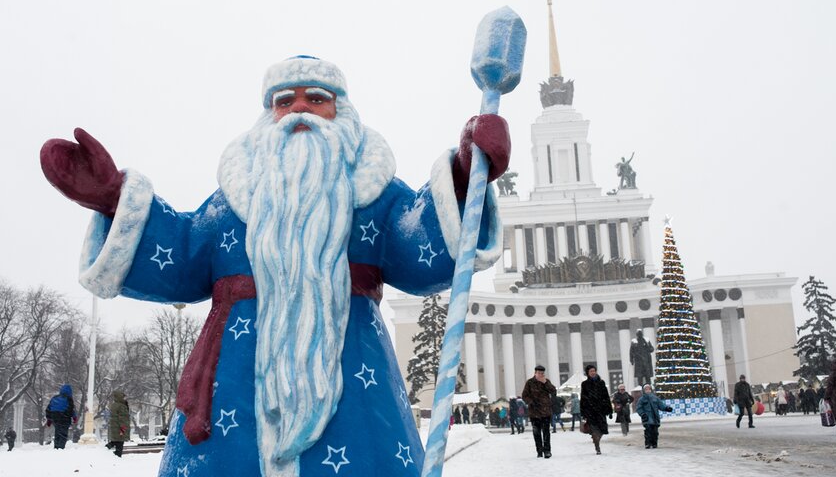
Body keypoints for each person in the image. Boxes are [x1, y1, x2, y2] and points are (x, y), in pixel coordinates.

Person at [39, 56, 509, 477]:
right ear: (269, 114)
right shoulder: (235, 203)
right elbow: (180, 254)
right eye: (285, 101)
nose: (299, 110)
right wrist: (113, 200)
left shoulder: (374, 197)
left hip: (355, 384)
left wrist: (467, 178)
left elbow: (419, 244)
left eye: (316, 98)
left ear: (340, 111)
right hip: (234, 391)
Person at [521, 365, 556, 459]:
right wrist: (531, 402)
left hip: (545, 411)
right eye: (539, 373)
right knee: (536, 433)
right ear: (535, 373)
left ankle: (547, 451)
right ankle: (539, 451)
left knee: (546, 432)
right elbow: (524, 396)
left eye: (542, 373)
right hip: (534, 412)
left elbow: (553, 391)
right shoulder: (529, 382)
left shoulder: (546, 381)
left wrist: (545, 383)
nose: (541, 375)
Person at [580, 365, 612, 455]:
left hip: (601, 409)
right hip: (590, 410)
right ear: (587, 373)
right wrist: (583, 411)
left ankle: (596, 439)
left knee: (602, 429)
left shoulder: (601, 382)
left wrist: (609, 409)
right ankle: (597, 446)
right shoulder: (585, 384)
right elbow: (583, 398)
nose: (593, 372)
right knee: (594, 429)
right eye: (591, 371)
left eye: (594, 371)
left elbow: (606, 396)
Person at [635, 384, 673, 448]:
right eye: (646, 389)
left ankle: (654, 443)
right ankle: (648, 443)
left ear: (651, 390)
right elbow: (639, 408)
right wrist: (642, 414)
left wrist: (666, 408)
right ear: (643, 391)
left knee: (655, 431)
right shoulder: (642, 399)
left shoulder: (655, 398)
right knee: (648, 430)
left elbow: (661, 405)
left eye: (649, 389)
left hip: (655, 417)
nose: (648, 390)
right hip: (647, 417)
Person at [45, 384, 78, 449]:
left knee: (57, 432)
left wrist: (49, 419)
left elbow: (48, 409)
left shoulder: (55, 398)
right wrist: (74, 418)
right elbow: (71, 410)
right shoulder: (69, 399)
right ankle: (61, 448)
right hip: (64, 417)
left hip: (55, 418)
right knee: (63, 434)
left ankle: (56, 447)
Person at [106, 390, 131, 457]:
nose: (125, 399)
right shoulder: (121, 406)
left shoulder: (114, 405)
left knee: (116, 441)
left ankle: (107, 451)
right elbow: (123, 418)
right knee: (119, 444)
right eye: (123, 397)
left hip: (115, 427)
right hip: (120, 428)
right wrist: (122, 429)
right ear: (120, 397)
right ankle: (116, 456)